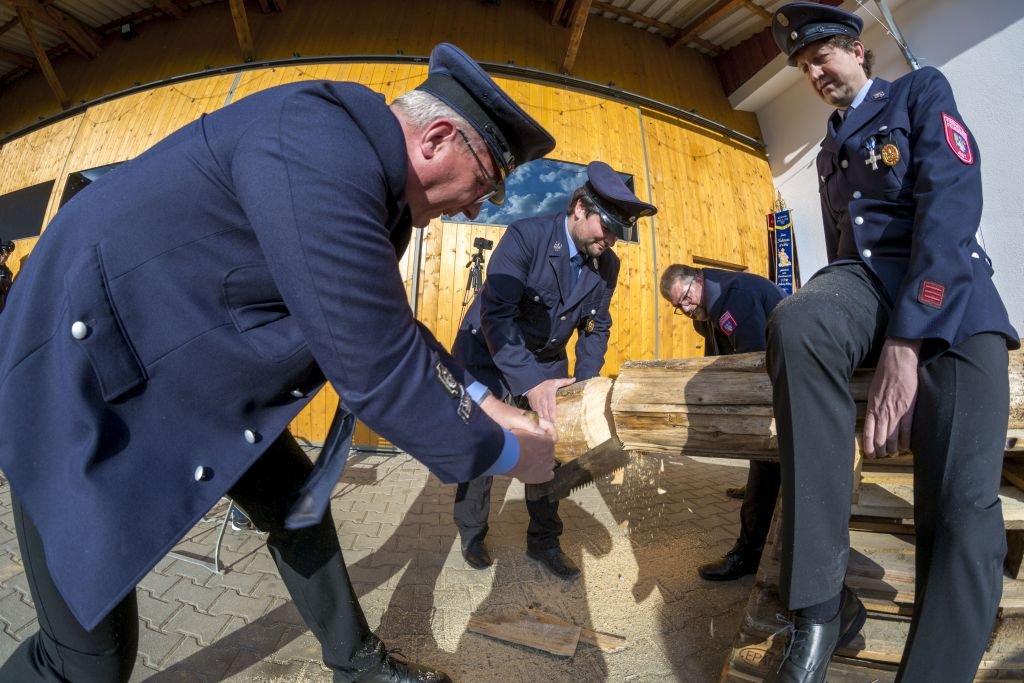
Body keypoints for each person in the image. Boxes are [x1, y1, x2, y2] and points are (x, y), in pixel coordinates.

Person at [0, 43, 561, 683]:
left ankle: (356, 665)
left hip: (187, 373)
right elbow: (377, 367)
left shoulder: (361, 180)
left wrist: (484, 402)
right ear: (436, 138)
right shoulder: (317, 142)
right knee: (86, 662)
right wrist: (510, 455)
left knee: (301, 505)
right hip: (79, 378)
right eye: (485, 186)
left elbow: (387, 326)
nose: (475, 209)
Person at [765, 5, 1019, 683]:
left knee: (964, 512)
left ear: (855, 48)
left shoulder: (919, 91)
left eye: (821, 56)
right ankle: (820, 605)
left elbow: (954, 199)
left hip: (950, 288)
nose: (813, 72)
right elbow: (849, 252)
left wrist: (907, 342)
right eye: (802, 66)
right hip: (865, 286)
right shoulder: (826, 152)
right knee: (798, 319)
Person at [451, 161, 656, 578]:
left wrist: (583, 388)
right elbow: (498, 318)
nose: (613, 240)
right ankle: (472, 534)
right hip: (488, 353)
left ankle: (544, 541)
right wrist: (533, 384)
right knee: (484, 446)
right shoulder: (527, 236)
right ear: (579, 207)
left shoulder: (607, 265)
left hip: (546, 359)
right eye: (608, 226)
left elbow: (596, 326)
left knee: (550, 454)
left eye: (621, 232)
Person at [659, 264, 784, 582]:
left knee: (767, 467)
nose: (685, 309)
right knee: (765, 466)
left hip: (783, 387)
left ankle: (748, 554)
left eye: (685, 298)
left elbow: (753, 365)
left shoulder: (734, 299)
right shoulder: (715, 300)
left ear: (697, 280)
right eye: (678, 307)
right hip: (777, 383)